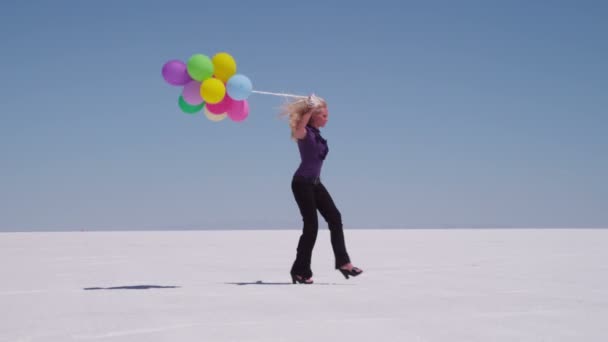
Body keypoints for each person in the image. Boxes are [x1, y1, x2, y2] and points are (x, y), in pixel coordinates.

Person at [280, 94, 363, 284]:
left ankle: (343, 262)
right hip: (302, 183)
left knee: (335, 217)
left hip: (315, 183)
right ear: (314, 116)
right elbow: (299, 127)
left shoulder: (316, 135)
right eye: (324, 115)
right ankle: (300, 271)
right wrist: (309, 108)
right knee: (311, 227)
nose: (327, 118)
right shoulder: (304, 133)